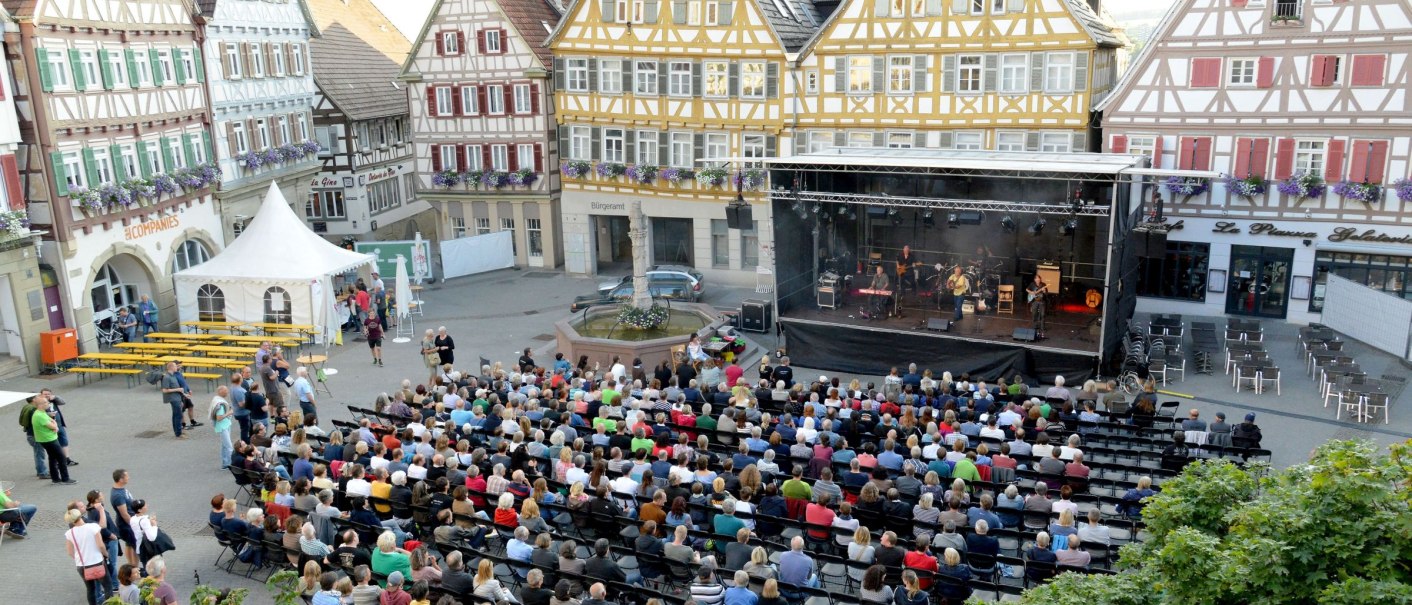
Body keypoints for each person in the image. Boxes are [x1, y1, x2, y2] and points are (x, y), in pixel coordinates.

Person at [64, 507, 109, 605]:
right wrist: (106, 554)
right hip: (97, 562)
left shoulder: (69, 533)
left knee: (90, 589)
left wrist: (79, 558)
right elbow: (101, 545)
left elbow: (70, 552)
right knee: (107, 586)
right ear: (80, 515)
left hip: (82, 565)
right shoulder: (93, 527)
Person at [31, 393, 74, 484]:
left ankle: (55, 478)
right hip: (49, 439)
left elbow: (52, 422)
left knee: (52, 457)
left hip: (45, 439)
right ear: (41, 405)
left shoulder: (40, 413)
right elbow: (52, 425)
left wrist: (53, 423)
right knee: (61, 458)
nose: (48, 403)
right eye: (46, 402)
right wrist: (55, 425)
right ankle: (65, 479)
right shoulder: (40, 415)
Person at [18, 394, 49, 479]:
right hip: (35, 435)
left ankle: (41, 470)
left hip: (29, 434)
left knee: (37, 453)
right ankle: (42, 472)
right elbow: (37, 422)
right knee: (39, 454)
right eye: (37, 397)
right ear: (34, 399)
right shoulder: (33, 410)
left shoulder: (26, 407)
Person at [160, 362, 188, 440]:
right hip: (173, 399)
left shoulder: (173, 376)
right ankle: (178, 433)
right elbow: (164, 390)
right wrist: (178, 389)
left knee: (176, 415)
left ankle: (177, 432)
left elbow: (176, 387)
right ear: (171, 367)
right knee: (178, 415)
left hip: (177, 397)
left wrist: (184, 394)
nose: (177, 367)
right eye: (175, 366)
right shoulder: (167, 377)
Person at [210, 386, 235, 469]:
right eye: (226, 391)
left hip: (225, 424)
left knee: (224, 445)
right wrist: (230, 412)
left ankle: (225, 464)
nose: (227, 392)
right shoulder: (220, 404)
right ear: (221, 392)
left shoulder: (216, 399)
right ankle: (232, 465)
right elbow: (219, 418)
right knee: (229, 446)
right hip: (223, 426)